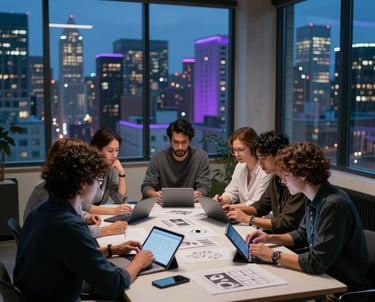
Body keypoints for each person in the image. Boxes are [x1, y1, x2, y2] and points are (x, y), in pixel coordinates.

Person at [14, 139, 154, 301]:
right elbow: (113, 285)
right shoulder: (69, 226)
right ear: (82, 184)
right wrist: (138, 262)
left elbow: (72, 253)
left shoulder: (42, 212)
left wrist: (112, 250)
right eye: (96, 179)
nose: (97, 185)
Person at [246, 141, 371, 294]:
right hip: (323, 278)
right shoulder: (314, 198)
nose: (282, 180)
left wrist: (273, 255)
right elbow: (301, 235)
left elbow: (316, 262)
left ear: (303, 175)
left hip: (340, 287)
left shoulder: (334, 205)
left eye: (286, 174)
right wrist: (269, 238)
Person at [23, 138, 127, 238]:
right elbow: (71, 230)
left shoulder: (62, 186)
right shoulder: (48, 190)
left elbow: (75, 212)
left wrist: (87, 217)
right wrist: (107, 230)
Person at [223, 131, 306, 233]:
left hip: (289, 240)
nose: (260, 163)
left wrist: (248, 219)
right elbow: (261, 206)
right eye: (259, 158)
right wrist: (233, 210)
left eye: (263, 158)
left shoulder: (297, 183)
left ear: (279, 156)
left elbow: (286, 223)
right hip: (280, 235)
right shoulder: (276, 179)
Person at [141, 118, 211, 202]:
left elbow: (204, 186)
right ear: (170, 140)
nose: (180, 147)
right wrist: (154, 194)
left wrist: (199, 193)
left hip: (192, 205)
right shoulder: (158, 158)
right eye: (176, 142)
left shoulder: (201, 157)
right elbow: (146, 186)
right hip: (163, 206)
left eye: (184, 142)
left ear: (190, 140)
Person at [212, 127, 272, 205]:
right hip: (243, 214)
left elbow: (257, 203)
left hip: (262, 216)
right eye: (234, 150)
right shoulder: (240, 166)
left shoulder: (265, 169)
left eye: (240, 150)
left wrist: (232, 208)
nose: (236, 154)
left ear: (252, 147)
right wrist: (222, 200)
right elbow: (231, 192)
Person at [83, 128, 133, 215]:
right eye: (110, 151)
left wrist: (121, 173)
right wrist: (113, 211)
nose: (115, 155)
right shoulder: (86, 168)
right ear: (97, 149)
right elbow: (83, 206)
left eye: (117, 150)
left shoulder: (111, 169)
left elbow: (120, 200)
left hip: (97, 218)